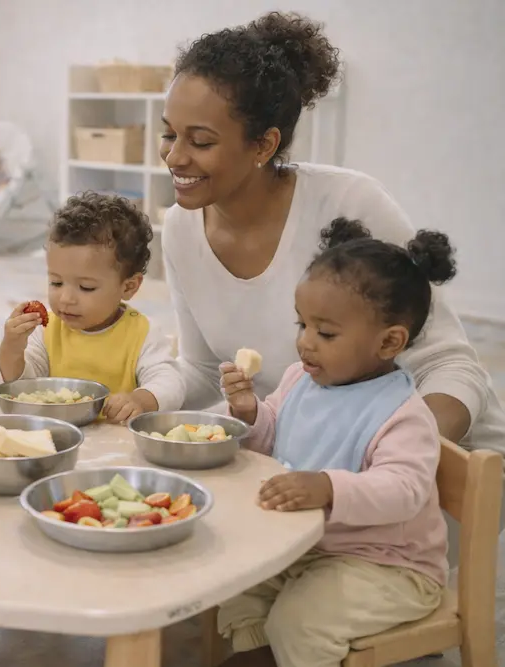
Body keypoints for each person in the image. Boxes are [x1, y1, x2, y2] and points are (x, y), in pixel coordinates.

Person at [159, 10, 505, 594]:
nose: (173, 157)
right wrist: (143, 404)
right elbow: (198, 369)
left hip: (405, 486)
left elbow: (453, 366)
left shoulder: (349, 202)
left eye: (201, 141)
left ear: (265, 143)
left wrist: (368, 458)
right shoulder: (179, 227)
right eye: (169, 133)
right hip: (297, 460)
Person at [216, 218, 452, 667]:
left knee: (301, 620)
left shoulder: (402, 415)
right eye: (301, 324)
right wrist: (249, 413)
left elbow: (402, 491)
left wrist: (328, 487)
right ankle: (259, 657)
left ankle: (294, 651)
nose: (305, 343)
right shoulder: (299, 380)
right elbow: (272, 439)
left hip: (387, 567)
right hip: (310, 549)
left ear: (389, 341)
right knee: (237, 583)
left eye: (325, 333)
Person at [0, 191, 178, 423]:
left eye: (86, 287)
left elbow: (170, 382)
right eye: (56, 282)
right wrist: (12, 347)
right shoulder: (47, 330)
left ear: (129, 287)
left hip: (115, 445)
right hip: (56, 439)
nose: (66, 299)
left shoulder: (142, 333)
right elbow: (19, 389)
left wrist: (141, 400)